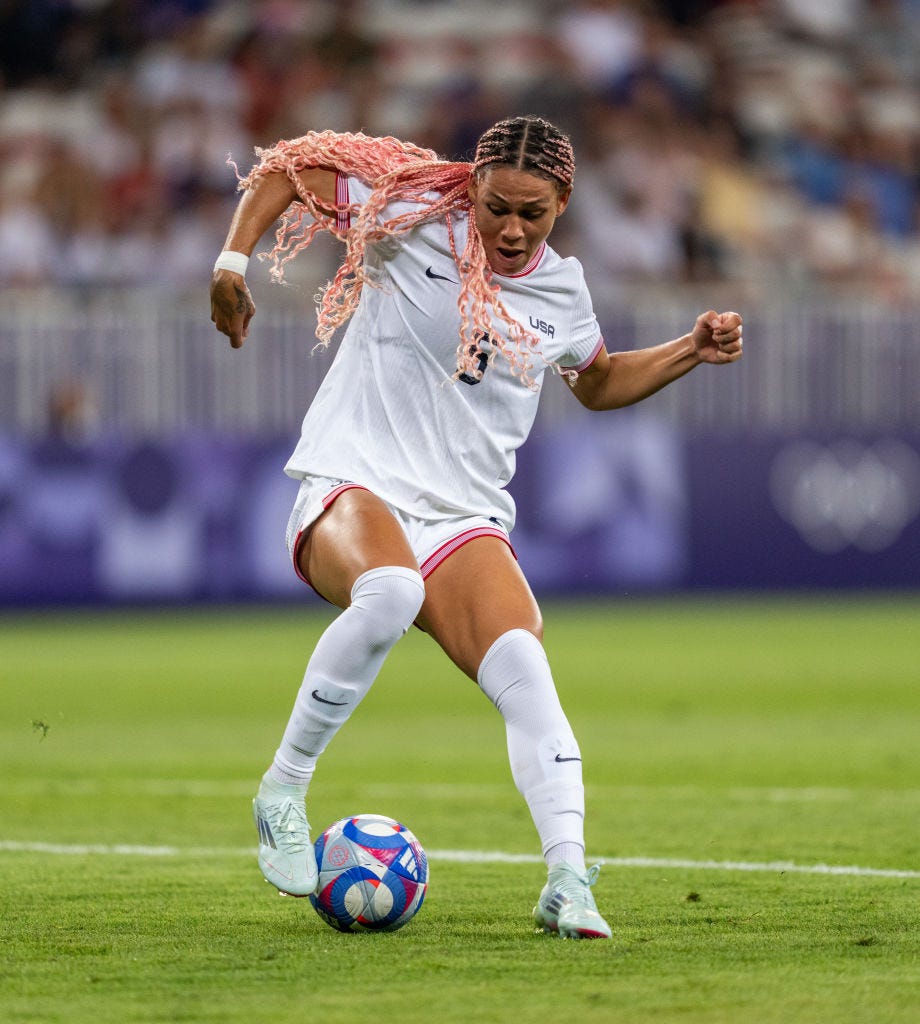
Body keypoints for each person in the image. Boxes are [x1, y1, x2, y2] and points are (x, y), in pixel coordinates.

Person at [210, 116, 743, 940]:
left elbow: (595, 382)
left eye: (533, 212)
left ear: (563, 202)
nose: (512, 228)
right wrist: (230, 260)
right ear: (474, 184)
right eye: (497, 207)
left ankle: (567, 878)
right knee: (389, 591)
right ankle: (283, 788)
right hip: (355, 482)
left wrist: (688, 350)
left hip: (462, 514)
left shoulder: (562, 290)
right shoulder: (410, 212)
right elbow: (292, 168)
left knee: (527, 669)